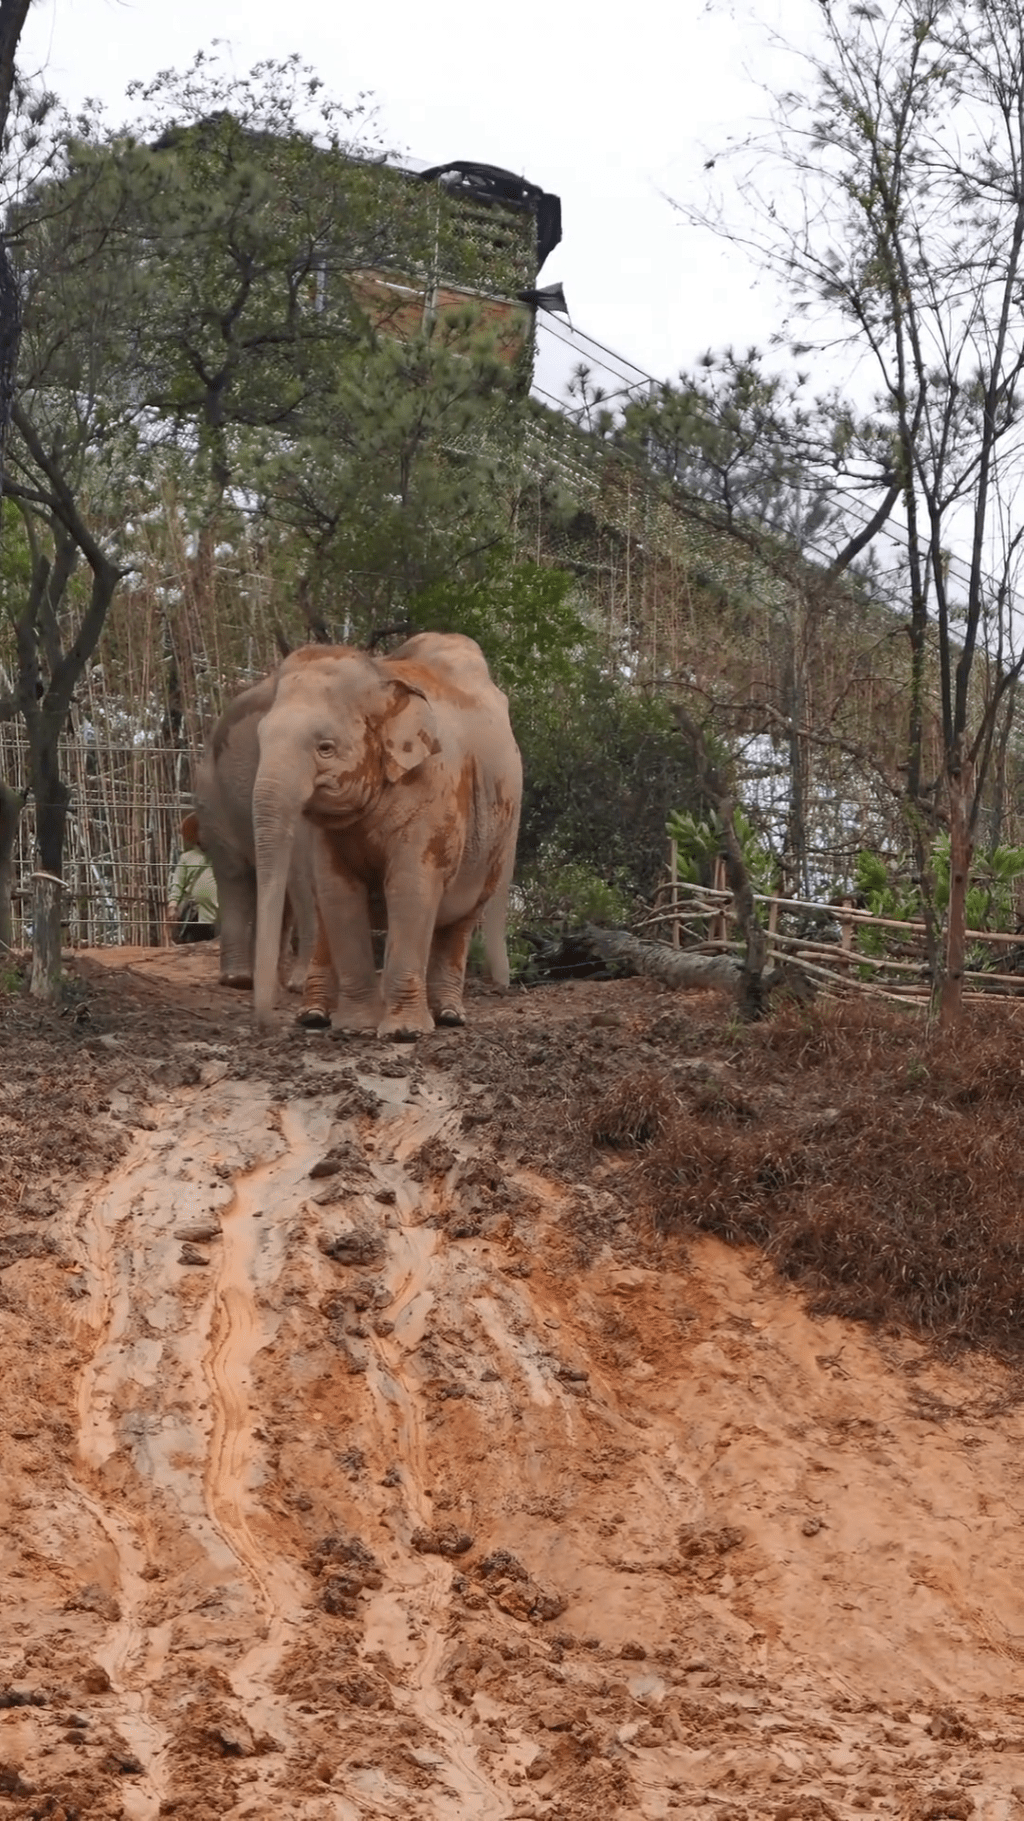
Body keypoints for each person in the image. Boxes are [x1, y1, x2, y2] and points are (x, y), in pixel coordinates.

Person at [166, 815, 219, 945]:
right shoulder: (187, 857)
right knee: (194, 951)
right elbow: (177, 883)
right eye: (202, 830)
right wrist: (173, 905)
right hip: (195, 916)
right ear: (197, 834)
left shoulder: (223, 858)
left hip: (219, 915)